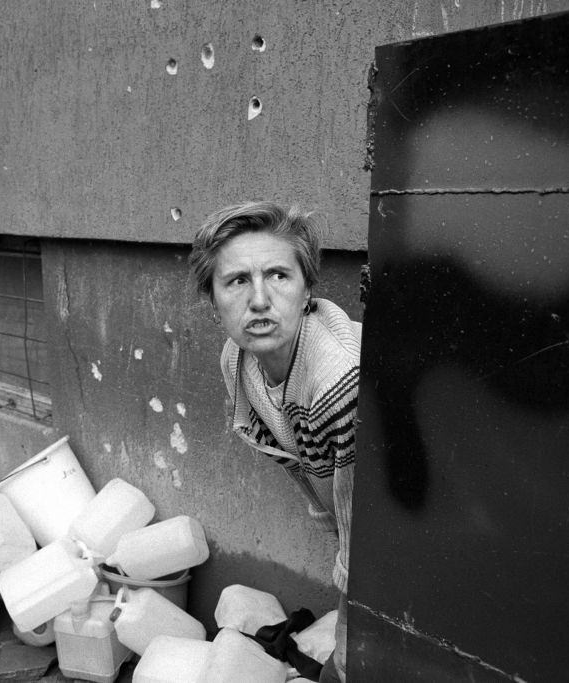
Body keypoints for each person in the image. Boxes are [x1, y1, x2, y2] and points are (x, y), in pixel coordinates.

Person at [189, 200, 360, 682]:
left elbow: (363, 534)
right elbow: (301, 465)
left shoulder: (336, 384)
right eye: (237, 280)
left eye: (279, 275)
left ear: (308, 291)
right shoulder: (238, 362)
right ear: (214, 299)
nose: (259, 300)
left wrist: (345, 655)